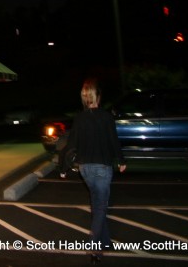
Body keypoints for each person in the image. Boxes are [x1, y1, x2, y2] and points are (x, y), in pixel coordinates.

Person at [59, 78, 126, 264]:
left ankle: (105, 241)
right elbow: (114, 140)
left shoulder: (79, 118)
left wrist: (64, 168)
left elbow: (71, 145)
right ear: (98, 96)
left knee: (97, 204)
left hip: (85, 169)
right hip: (103, 168)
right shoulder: (106, 116)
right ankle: (94, 246)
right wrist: (121, 160)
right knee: (100, 207)